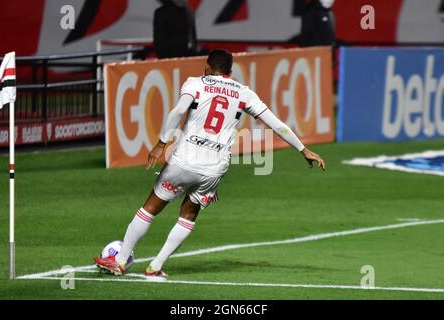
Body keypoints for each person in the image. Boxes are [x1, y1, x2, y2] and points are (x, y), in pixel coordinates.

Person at [94, 49, 326, 278]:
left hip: (183, 160)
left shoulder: (194, 83)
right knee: (188, 214)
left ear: (207, 67)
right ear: (230, 72)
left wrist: (161, 143)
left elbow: (177, 112)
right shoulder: (245, 93)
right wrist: (303, 149)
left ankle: (122, 260)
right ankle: (156, 266)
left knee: (150, 208)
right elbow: (276, 124)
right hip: (213, 168)